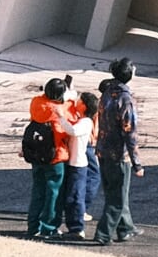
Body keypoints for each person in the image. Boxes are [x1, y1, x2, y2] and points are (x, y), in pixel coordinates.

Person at [21, 76, 77, 239]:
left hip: (36, 154)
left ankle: (33, 226)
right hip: (55, 156)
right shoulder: (60, 109)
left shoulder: (36, 103)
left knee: (38, 190)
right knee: (54, 193)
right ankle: (49, 227)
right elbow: (72, 119)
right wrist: (71, 97)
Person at [95, 57, 143, 243]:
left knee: (114, 192)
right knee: (117, 197)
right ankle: (104, 234)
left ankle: (126, 227)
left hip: (102, 150)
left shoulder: (107, 92)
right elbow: (130, 134)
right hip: (118, 154)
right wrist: (137, 164)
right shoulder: (126, 99)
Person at [59, 92, 101, 238]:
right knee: (72, 195)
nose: (76, 101)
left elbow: (73, 131)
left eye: (79, 100)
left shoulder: (86, 122)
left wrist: (60, 118)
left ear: (84, 105)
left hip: (78, 164)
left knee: (75, 196)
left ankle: (77, 229)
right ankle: (74, 227)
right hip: (74, 162)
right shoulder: (83, 120)